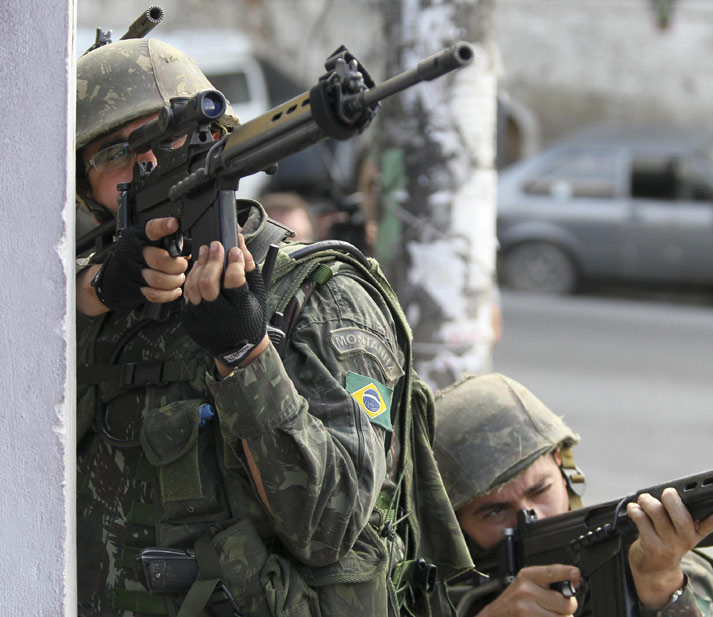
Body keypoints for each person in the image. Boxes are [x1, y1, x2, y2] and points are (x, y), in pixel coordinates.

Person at [74, 37, 470, 617]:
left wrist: (245, 354)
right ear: (86, 191)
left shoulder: (323, 297)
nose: (147, 162)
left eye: (170, 136)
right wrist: (90, 291)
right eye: (115, 151)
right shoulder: (90, 297)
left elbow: (331, 527)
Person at [433, 373, 713, 617]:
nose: (530, 516)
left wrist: (660, 584)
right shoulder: (429, 592)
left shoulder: (657, 559)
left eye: (540, 490)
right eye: (494, 512)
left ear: (560, 465)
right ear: (455, 523)